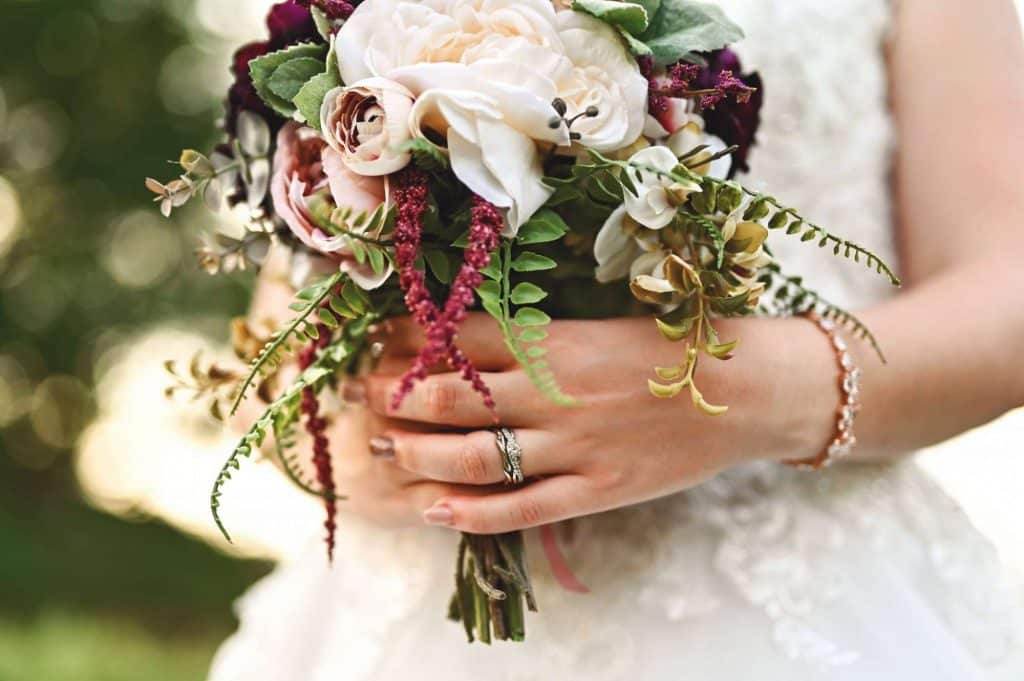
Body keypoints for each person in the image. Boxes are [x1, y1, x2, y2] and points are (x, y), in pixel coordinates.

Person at [210, 0, 1024, 678]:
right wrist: (341, 433)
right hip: (403, 598)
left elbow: (1005, 296)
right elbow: (288, 295)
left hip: (794, 595)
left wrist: (733, 393)